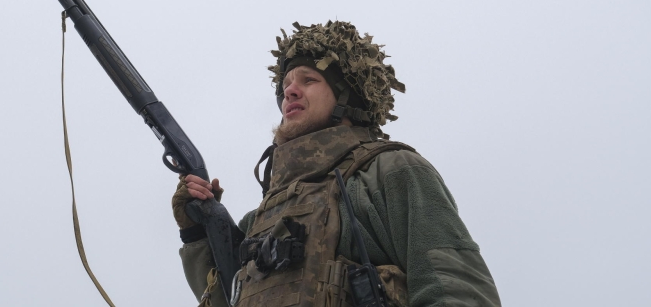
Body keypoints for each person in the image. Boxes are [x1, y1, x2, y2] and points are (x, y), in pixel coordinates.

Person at [172, 21, 502, 307]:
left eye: (308, 80)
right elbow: (226, 298)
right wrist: (195, 231)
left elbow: (457, 289)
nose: (290, 92)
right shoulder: (261, 217)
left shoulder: (389, 172)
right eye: (286, 85)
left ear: (347, 97)